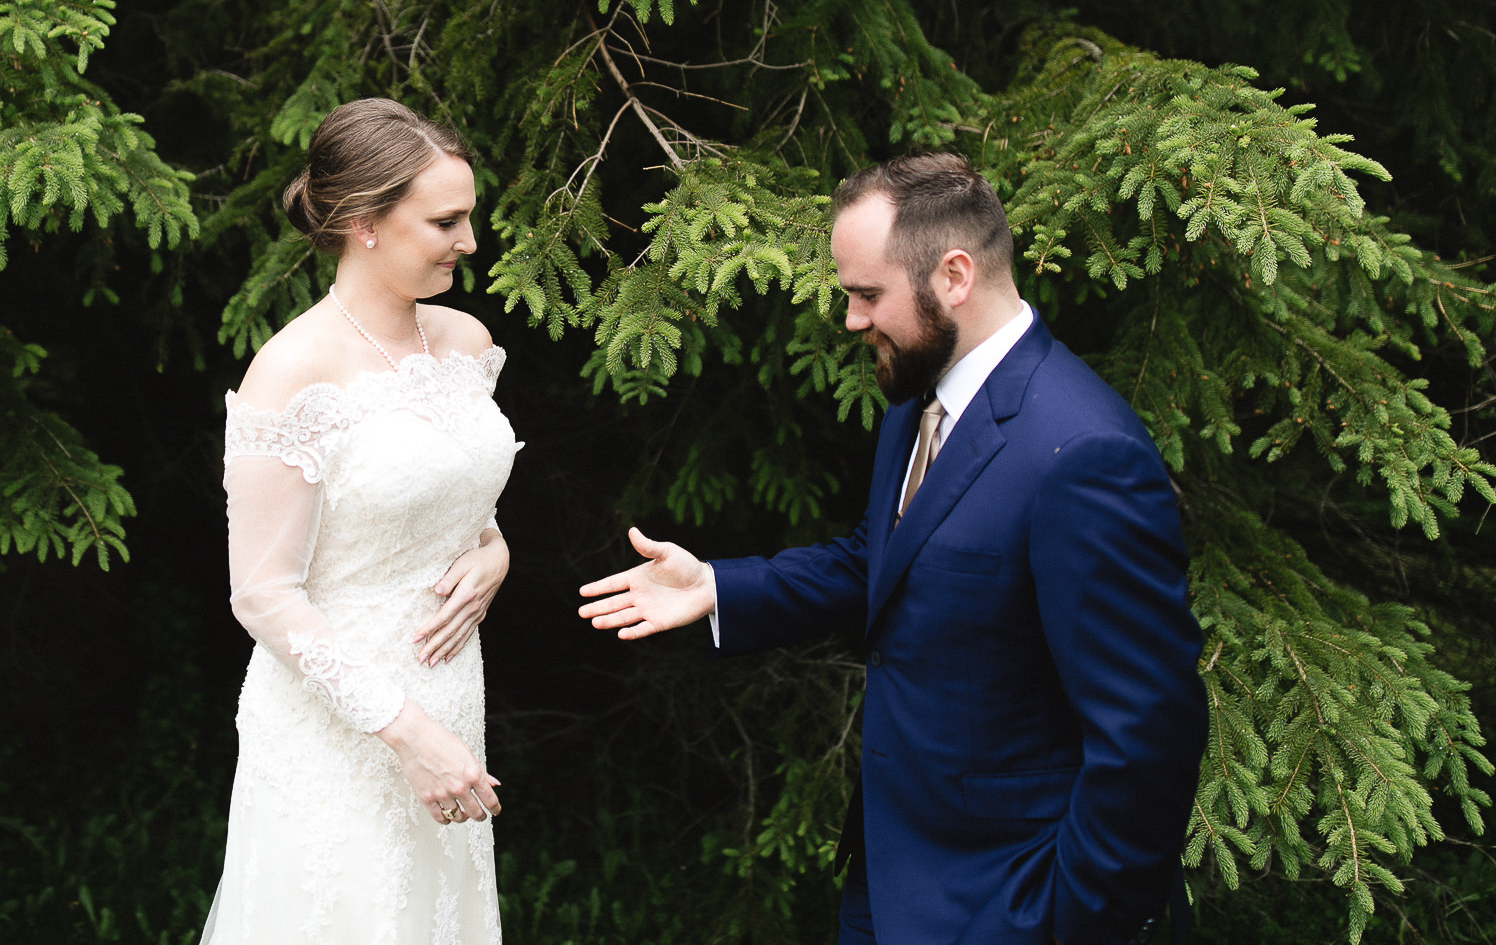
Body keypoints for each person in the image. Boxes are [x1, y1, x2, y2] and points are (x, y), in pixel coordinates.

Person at [577, 151, 1207, 945]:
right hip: (891, 887)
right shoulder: (920, 400)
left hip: (1011, 905)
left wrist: (1065, 920)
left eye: (867, 294)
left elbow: (1149, 734)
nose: (850, 319)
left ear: (953, 275)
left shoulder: (1084, 452)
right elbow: (885, 562)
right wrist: (717, 587)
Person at [200, 98, 520, 945]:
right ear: (363, 222)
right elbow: (263, 593)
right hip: (341, 730)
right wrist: (411, 733)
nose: (470, 241)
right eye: (446, 220)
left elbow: (452, 498)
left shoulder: (464, 341)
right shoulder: (293, 372)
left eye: (469, 217)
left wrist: (496, 550)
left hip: (453, 699)